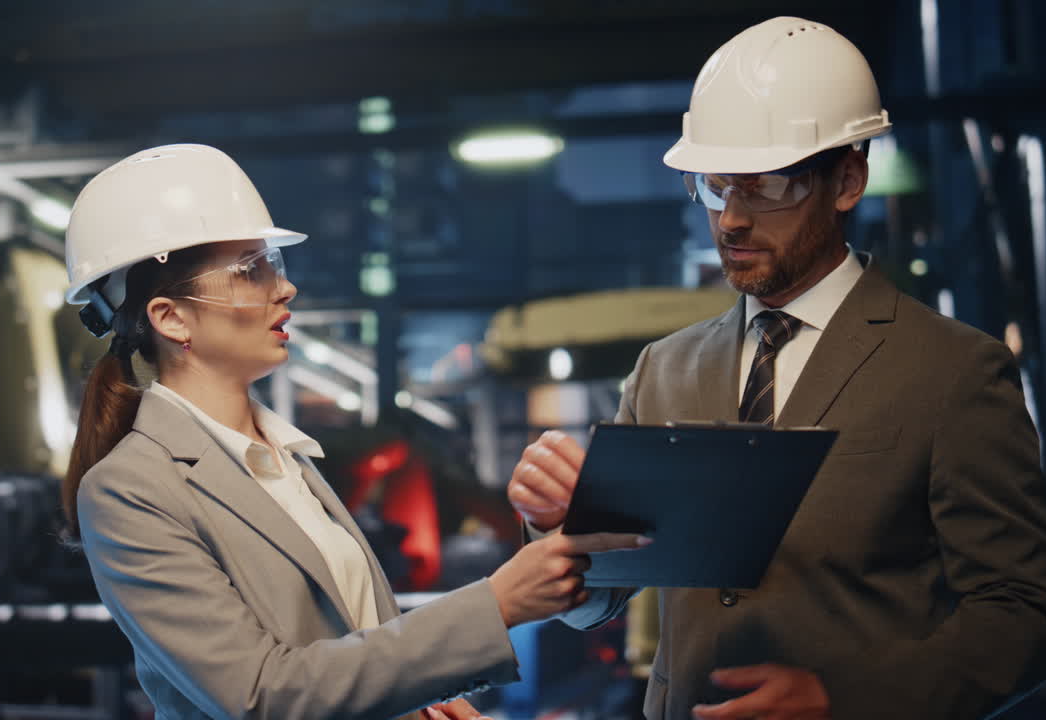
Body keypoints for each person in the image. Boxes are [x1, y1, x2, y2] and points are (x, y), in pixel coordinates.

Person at [506, 17, 1046, 720]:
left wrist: (850, 702)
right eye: (715, 188)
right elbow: (597, 605)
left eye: (766, 187)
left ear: (847, 180)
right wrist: (562, 529)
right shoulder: (665, 369)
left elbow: (1026, 612)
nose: (731, 221)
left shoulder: (953, 372)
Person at [61, 144, 649, 720]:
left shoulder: (286, 459)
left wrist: (417, 701)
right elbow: (261, 696)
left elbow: (351, 646)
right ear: (170, 317)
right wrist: (494, 607)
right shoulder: (129, 489)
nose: (283, 288)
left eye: (274, 263)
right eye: (250, 270)